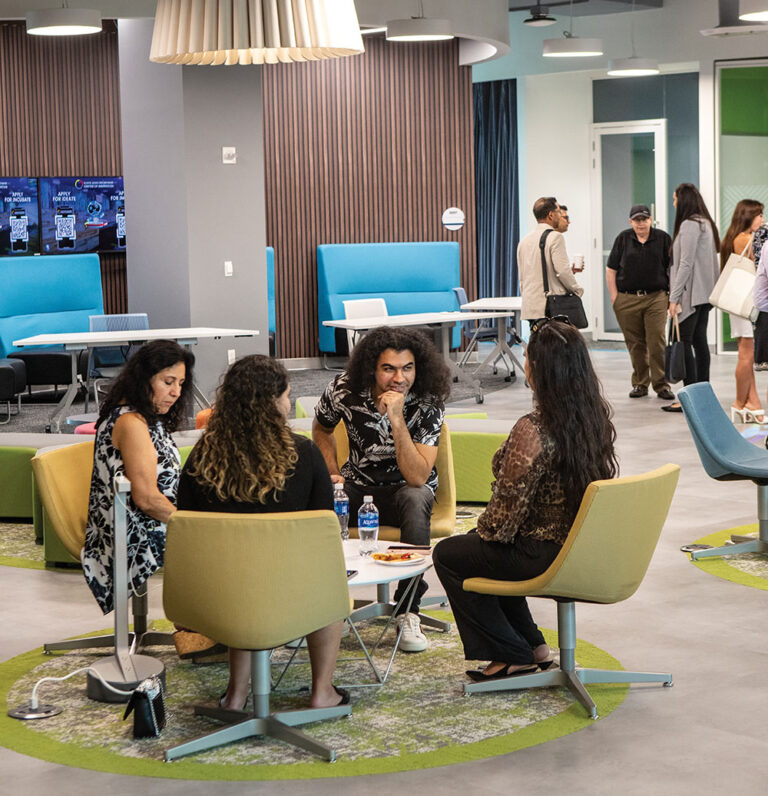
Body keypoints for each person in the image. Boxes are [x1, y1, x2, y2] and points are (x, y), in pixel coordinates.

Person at [432, 317, 617, 680]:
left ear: (540, 371)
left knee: (451, 556)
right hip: (577, 547)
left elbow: (501, 523)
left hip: (541, 554)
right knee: (485, 551)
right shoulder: (592, 420)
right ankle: (534, 646)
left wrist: (477, 534)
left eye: (528, 357)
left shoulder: (532, 430)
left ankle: (509, 653)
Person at [177, 355, 348, 711]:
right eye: (286, 396)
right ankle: (322, 693)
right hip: (289, 597)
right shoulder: (305, 454)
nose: (289, 404)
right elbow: (324, 533)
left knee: (241, 573)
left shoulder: (201, 457)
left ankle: (236, 696)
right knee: (327, 583)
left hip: (213, 597)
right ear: (273, 403)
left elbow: (187, 526)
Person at [312, 326, 451, 653]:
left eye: (407, 368)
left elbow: (417, 477)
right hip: (358, 486)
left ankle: (408, 610)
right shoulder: (344, 389)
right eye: (389, 368)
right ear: (372, 368)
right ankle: (328, 606)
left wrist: (397, 419)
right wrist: (332, 472)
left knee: (416, 499)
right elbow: (321, 428)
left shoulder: (429, 400)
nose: (399, 378)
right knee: (320, 503)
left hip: (407, 489)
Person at [82, 339, 194, 615]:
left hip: (144, 521)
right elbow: (146, 499)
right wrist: (192, 524)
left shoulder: (143, 416)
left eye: (180, 384)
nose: (176, 392)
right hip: (132, 531)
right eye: (168, 382)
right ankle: (207, 626)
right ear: (145, 378)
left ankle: (210, 627)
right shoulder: (131, 423)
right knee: (224, 540)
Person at [606, 204, 675, 401]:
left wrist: (672, 298)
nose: (640, 223)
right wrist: (615, 297)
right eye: (636, 220)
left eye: (644, 219)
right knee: (635, 344)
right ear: (630, 221)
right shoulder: (623, 238)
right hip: (627, 299)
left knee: (656, 341)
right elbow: (611, 269)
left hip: (656, 298)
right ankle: (640, 383)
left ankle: (661, 384)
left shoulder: (662, 238)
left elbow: (671, 269)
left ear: (650, 220)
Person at [662, 183, 720, 413]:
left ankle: (689, 399)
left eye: (675, 198)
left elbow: (685, 264)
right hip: (704, 294)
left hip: (690, 295)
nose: (674, 202)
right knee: (699, 341)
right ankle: (702, 395)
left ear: (683, 200)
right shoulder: (706, 223)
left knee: (684, 342)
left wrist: (673, 298)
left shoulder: (689, 225)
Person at [719, 199, 765, 423]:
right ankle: (739, 403)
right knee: (746, 354)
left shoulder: (734, 238)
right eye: (760, 216)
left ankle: (752, 402)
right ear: (749, 217)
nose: (762, 220)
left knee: (746, 352)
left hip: (742, 303)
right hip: (747, 305)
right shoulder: (744, 239)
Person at [517, 197, 583, 326]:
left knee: (539, 343)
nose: (561, 216)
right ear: (551, 215)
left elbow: (522, 278)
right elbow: (562, 272)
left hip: (531, 307)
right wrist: (577, 290)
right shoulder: (555, 237)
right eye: (559, 212)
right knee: (558, 344)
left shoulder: (524, 241)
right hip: (551, 307)